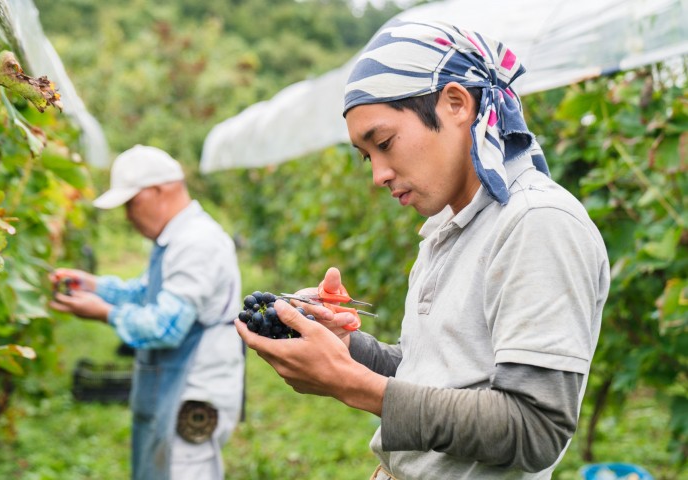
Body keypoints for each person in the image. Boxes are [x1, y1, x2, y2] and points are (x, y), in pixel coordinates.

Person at [235, 20, 609, 480]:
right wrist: (349, 349)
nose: (378, 174)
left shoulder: (536, 223)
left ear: (456, 103)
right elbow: (440, 375)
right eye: (366, 156)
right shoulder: (448, 227)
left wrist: (357, 387)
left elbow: (533, 428)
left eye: (385, 143)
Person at [50, 144, 244, 480]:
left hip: (193, 394)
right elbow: (147, 292)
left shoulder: (196, 243)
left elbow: (164, 326)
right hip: (176, 385)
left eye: (131, 203)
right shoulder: (178, 237)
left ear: (160, 191)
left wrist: (104, 313)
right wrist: (95, 285)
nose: (127, 216)